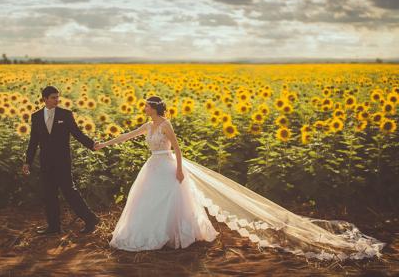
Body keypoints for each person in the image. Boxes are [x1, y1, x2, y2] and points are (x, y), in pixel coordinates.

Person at [95, 96, 385, 261]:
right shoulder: (148, 125)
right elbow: (126, 136)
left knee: (172, 200)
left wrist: (181, 169)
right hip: (152, 168)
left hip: (169, 166)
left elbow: (178, 148)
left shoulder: (166, 124)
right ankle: (156, 235)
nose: (143, 108)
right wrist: (102, 144)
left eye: (146, 105)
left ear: (155, 107)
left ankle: (176, 236)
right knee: (147, 202)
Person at [23, 86, 99, 235]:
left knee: (69, 191)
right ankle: (54, 227)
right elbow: (33, 141)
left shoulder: (65, 114)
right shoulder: (36, 116)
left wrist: (92, 145)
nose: (57, 100)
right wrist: (27, 162)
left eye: (58, 97)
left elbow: (77, 133)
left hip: (63, 161)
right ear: (44, 99)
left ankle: (90, 219)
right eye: (53, 97)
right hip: (45, 162)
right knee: (49, 194)